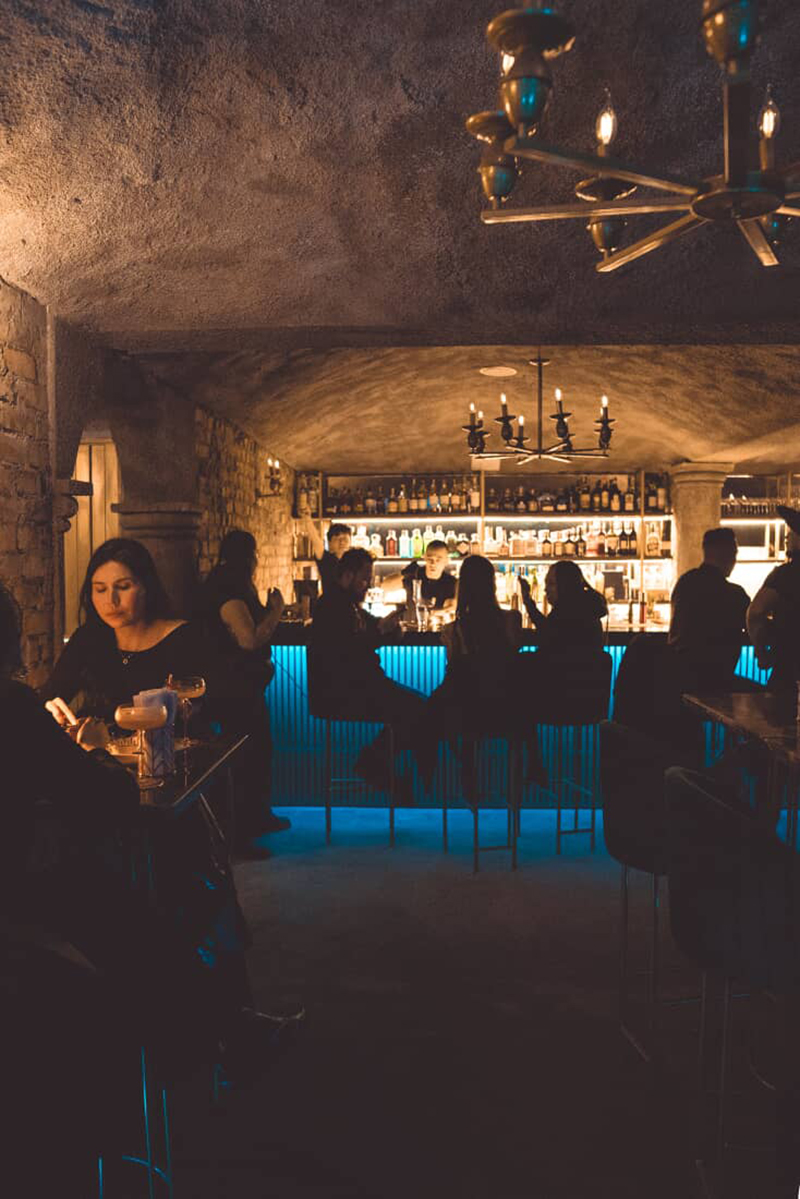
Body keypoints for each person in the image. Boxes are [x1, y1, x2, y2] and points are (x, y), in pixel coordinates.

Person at [42, 537, 211, 722]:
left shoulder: (185, 639)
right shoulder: (88, 638)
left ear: (147, 587)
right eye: (100, 589)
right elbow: (49, 699)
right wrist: (49, 708)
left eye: (123, 587)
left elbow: (216, 716)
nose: (111, 601)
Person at [197, 529, 289, 859]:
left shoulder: (226, 584)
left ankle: (257, 818)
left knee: (259, 750)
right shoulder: (228, 589)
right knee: (244, 759)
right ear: (248, 557)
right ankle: (238, 837)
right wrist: (277, 610)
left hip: (239, 687)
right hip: (233, 689)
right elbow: (248, 640)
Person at [308, 547, 424, 796]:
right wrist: (381, 631)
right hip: (345, 692)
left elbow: (373, 628)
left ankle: (377, 765)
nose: (367, 585)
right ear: (348, 576)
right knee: (419, 710)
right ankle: (376, 765)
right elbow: (344, 651)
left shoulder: (349, 605)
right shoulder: (331, 605)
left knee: (419, 709)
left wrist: (390, 628)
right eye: (364, 579)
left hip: (363, 686)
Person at [422, 555, 523, 795]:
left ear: (463, 588)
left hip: (463, 715)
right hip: (506, 711)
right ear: (493, 585)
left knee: (437, 709)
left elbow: (456, 677)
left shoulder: (453, 630)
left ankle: (439, 776)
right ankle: (515, 786)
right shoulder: (512, 620)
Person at [668, 527, 749, 690]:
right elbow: (754, 625)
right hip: (716, 682)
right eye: (734, 553)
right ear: (727, 554)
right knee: (765, 696)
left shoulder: (684, 582)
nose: (735, 560)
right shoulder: (734, 594)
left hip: (676, 678)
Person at [747, 504, 800, 696]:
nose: (787, 536)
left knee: (779, 711)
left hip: (789, 669)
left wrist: (762, 653)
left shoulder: (785, 574)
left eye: (791, 530)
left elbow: (755, 612)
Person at [519, 560, 607, 655]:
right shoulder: (587, 607)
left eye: (551, 584)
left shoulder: (568, 613)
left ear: (565, 585)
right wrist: (528, 602)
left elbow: (549, 640)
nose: (546, 589)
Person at [381, 540, 457, 615]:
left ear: (447, 561)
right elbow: (385, 586)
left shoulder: (451, 582)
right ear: (425, 557)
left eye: (438, 560)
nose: (433, 563)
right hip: (411, 622)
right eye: (430, 559)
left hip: (438, 622)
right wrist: (403, 573)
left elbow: (453, 606)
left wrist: (436, 613)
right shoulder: (415, 574)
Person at [302, 517, 352, 592]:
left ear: (350, 541)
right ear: (329, 543)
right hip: (330, 599)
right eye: (337, 539)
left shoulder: (354, 561)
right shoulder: (326, 559)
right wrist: (307, 519)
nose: (341, 542)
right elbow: (315, 540)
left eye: (345, 539)